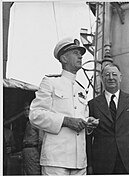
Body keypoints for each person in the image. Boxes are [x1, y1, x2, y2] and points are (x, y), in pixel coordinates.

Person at [29, 37, 98, 175]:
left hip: (79, 162)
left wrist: (88, 123)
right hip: (56, 160)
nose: (80, 56)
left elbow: (80, 118)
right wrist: (66, 121)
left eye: (81, 54)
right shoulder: (50, 82)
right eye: (75, 53)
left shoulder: (81, 89)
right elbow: (35, 115)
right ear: (64, 59)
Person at [22, 103, 43, 175]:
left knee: (33, 172)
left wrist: (39, 154)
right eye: (25, 110)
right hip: (27, 151)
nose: (26, 111)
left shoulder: (36, 122)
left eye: (28, 109)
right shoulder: (28, 123)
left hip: (33, 149)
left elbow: (40, 139)